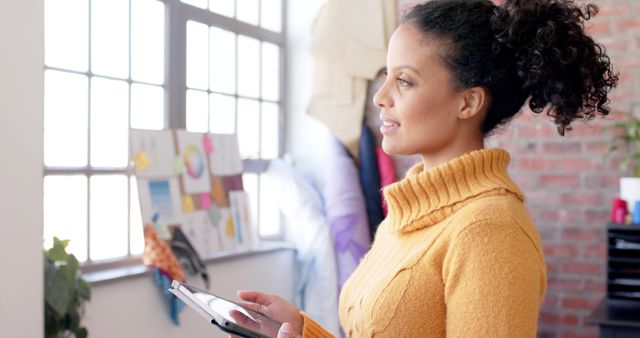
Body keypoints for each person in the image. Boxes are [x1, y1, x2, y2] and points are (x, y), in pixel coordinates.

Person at [235, 0, 618, 337]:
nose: (380, 97)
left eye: (404, 81)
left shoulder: (490, 230)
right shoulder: (407, 211)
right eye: (386, 75)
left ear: (468, 103)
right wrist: (304, 333)